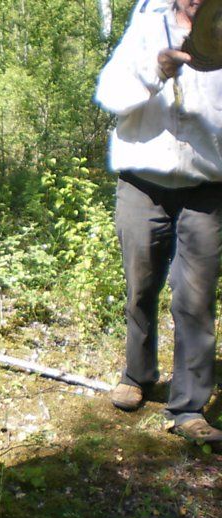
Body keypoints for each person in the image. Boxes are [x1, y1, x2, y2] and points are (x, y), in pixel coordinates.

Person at [95, 0, 222, 443]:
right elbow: (110, 96)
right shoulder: (146, 25)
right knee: (141, 285)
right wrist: (156, 69)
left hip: (207, 186)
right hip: (142, 182)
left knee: (197, 299)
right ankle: (137, 375)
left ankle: (189, 408)